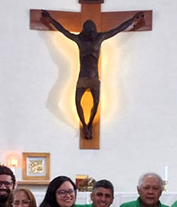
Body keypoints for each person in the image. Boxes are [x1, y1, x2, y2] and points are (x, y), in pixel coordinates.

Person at [41, 10, 144, 139]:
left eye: (92, 29)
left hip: (94, 79)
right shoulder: (79, 39)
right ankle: (84, 125)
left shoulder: (99, 38)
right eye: (88, 29)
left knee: (96, 103)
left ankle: (89, 125)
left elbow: (117, 29)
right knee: (77, 102)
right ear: (84, 30)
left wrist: (133, 20)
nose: (90, 31)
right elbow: (63, 31)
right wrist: (50, 19)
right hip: (82, 78)